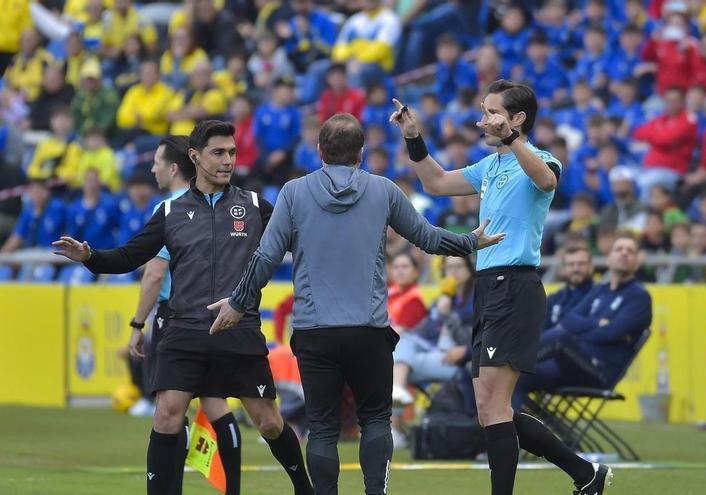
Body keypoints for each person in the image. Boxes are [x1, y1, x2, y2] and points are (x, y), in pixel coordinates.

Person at [207, 113, 502, 495]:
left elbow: (265, 257)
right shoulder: (383, 189)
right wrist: (468, 242)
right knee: (376, 419)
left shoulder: (295, 193)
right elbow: (427, 238)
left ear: (319, 151)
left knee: (323, 426)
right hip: (369, 329)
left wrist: (239, 302)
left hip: (315, 331)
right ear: (361, 153)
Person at [52, 121, 313, 495]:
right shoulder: (171, 210)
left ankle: (304, 488)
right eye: (218, 153)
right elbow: (131, 255)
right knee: (166, 414)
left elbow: (300, 242)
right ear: (195, 156)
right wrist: (90, 255)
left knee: (268, 421)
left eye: (232, 153)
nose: (228, 161)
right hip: (183, 330)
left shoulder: (255, 206)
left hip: (237, 329)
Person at [389, 80, 612, 495]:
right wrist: (413, 137)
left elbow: (546, 181)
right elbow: (435, 183)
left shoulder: (540, 159)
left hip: (516, 286)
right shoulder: (489, 166)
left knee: (493, 408)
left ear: (517, 119)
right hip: (488, 287)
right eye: (485, 110)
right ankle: (586, 474)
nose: (483, 118)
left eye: (492, 111)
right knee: (490, 410)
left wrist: (510, 140)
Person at [125, 135, 243, 493]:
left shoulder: (173, 208)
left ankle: (168, 487)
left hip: (176, 314)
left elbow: (155, 273)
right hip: (210, 313)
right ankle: (231, 488)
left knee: (168, 408)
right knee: (213, 400)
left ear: (174, 167)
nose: (153, 168)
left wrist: (138, 323)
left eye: (157, 162)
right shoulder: (210, 203)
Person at [513, 233, 652, 411]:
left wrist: (580, 332)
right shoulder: (600, 290)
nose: (624, 253)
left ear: (636, 261)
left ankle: (510, 354)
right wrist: (597, 323)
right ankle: (520, 435)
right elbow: (570, 319)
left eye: (630, 251)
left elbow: (611, 333)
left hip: (599, 370)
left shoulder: (639, 296)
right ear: (608, 259)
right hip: (570, 362)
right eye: (619, 249)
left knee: (560, 338)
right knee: (514, 376)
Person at [390, 255, 476, 445]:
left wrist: (447, 316)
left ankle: (395, 430)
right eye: (449, 267)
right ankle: (395, 416)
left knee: (395, 365)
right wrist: (407, 331)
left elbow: (470, 340)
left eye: (459, 266)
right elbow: (424, 332)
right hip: (435, 354)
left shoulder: (475, 298)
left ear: (470, 270)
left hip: (458, 360)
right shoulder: (444, 297)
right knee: (402, 346)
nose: (453, 271)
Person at [546, 245, 595, 331]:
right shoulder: (553, 299)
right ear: (563, 268)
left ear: (591, 267)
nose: (576, 268)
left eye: (581, 264)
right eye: (571, 264)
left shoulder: (602, 296)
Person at [387, 252, 428, 334]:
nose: (399, 271)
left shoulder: (415, 300)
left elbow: (399, 332)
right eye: (395, 267)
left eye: (405, 267)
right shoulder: (390, 290)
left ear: (416, 272)